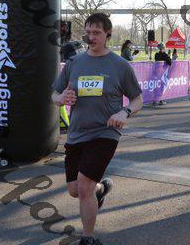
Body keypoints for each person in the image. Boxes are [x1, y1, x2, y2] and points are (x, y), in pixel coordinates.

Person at [51, 13, 143, 245]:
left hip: (105, 132)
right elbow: (54, 94)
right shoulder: (74, 63)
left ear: (108, 34)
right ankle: (100, 189)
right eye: (88, 33)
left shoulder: (120, 65)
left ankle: (88, 238)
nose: (91, 38)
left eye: (96, 33)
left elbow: (137, 99)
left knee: (84, 187)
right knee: (75, 190)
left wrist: (124, 112)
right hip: (77, 132)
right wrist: (60, 98)